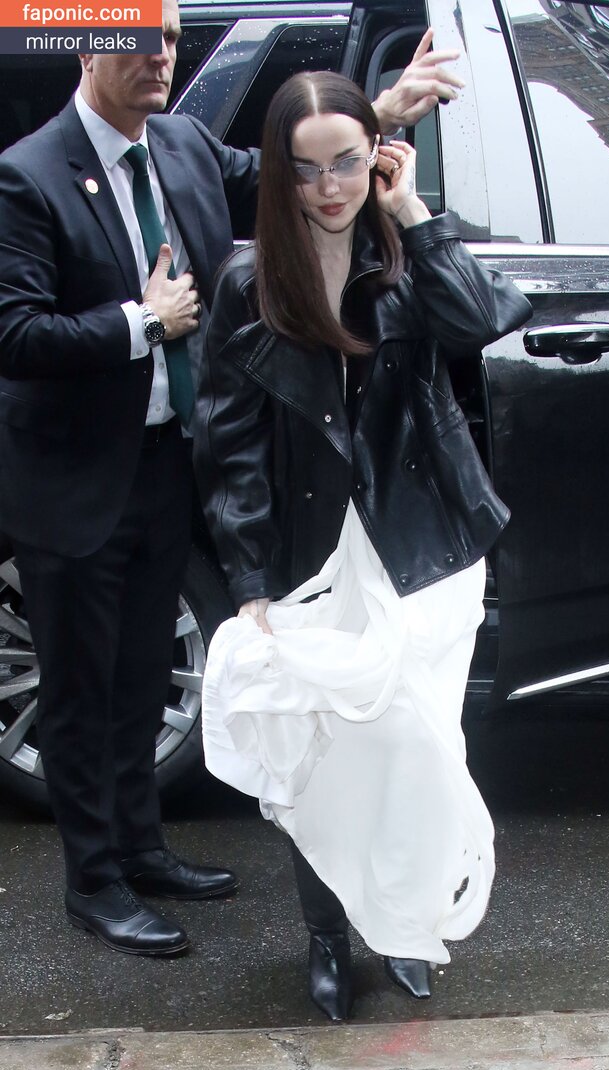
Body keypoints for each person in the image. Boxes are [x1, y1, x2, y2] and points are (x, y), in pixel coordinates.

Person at [0, 0, 464, 958]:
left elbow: (295, 169)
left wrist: (381, 112)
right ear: (86, 44)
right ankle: (94, 882)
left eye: (170, 38)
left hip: (170, 462)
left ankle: (142, 847)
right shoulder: (27, 174)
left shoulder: (183, 146)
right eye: (138, 39)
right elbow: (14, 332)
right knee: (80, 689)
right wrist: (142, 322)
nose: (160, 56)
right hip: (74, 480)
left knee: (144, 673)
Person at [194, 71, 533, 1017]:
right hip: (310, 553)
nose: (329, 186)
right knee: (327, 757)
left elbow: (486, 319)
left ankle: (407, 923)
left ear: (376, 155)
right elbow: (228, 446)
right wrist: (251, 583)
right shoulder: (247, 284)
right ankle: (328, 934)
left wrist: (414, 213)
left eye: (346, 162)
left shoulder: (403, 256)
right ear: (279, 174)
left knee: (421, 747)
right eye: (306, 170)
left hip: (419, 546)